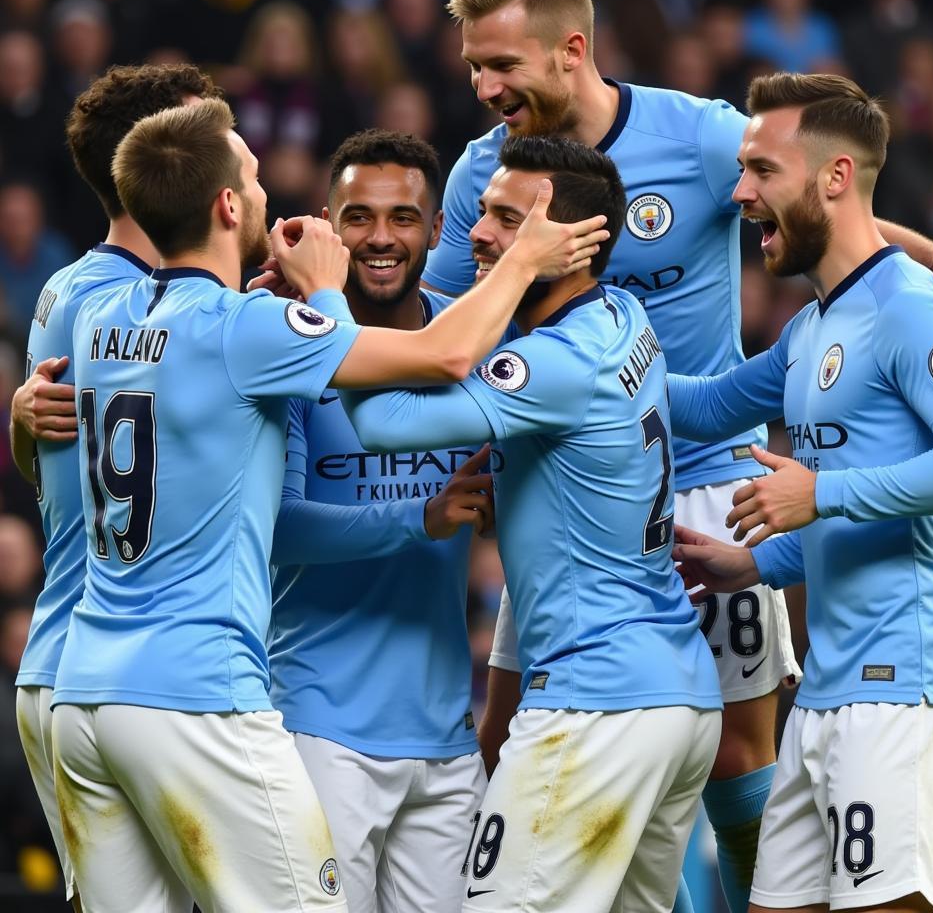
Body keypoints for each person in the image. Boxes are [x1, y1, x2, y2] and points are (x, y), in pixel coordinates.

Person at [421, 0, 933, 913]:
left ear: (569, 50)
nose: (482, 87)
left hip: (709, 482)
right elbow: (440, 334)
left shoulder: (698, 136)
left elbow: (814, 190)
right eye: (472, 64)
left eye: (500, 64)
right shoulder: (485, 175)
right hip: (568, 487)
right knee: (506, 729)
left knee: (731, 747)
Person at [48, 97, 607, 913]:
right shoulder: (255, 332)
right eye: (253, 176)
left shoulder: (101, 318)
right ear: (229, 206)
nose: (270, 193)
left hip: (88, 689)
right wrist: (523, 260)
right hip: (205, 690)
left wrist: (29, 420)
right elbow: (444, 355)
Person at [667, 72, 933, 913]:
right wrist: (581, 334)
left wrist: (823, 495)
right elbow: (705, 405)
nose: (740, 192)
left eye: (761, 171)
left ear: (834, 178)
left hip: (913, 680)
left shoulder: (912, 310)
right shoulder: (815, 324)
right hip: (830, 689)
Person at [344, 134, 722, 913]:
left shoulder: (552, 363)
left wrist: (322, 300)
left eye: (509, 221)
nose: (479, 234)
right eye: (484, 211)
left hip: (593, 703)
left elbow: (379, 418)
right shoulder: (623, 313)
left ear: (574, 244)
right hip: (678, 694)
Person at [8, 62, 220, 911]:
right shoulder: (143, 304)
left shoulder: (77, 287)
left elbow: (63, 467)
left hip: (75, 662)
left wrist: (22, 429)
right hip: (120, 669)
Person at [269, 130, 490, 913]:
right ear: (328, 226)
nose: (381, 238)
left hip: (445, 734)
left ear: (436, 231)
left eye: (403, 218)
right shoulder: (287, 352)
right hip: (321, 726)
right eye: (358, 217)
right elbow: (278, 529)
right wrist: (419, 517)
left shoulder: (470, 351)